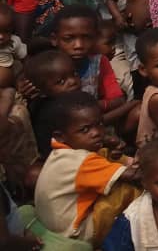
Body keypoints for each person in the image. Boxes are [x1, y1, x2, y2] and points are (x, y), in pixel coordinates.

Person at [34, 91, 140, 245]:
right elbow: (135, 176)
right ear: (60, 136)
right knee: (127, 187)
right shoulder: (81, 161)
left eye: (100, 124)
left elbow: (99, 158)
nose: (96, 133)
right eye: (85, 130)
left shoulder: (61, 154)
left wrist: (112, 153)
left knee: (105, 157)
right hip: (76, 234)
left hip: (55, 227)